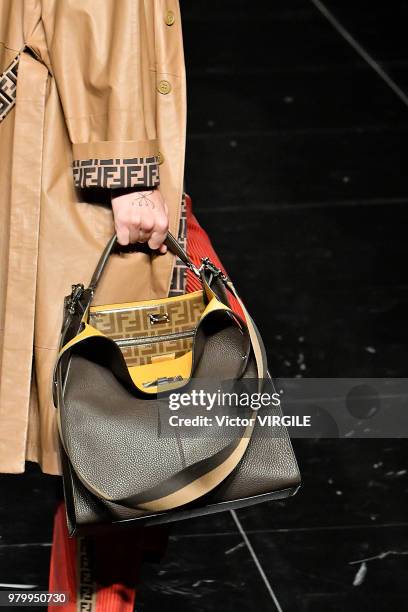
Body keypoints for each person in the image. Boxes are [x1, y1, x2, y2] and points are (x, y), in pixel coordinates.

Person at [0, 1, 241, 609]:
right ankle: (91, 601)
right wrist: (128, 175)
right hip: (84, 149)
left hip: (58, 118)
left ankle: (88, 594)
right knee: (114, 407)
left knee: (111, 407)